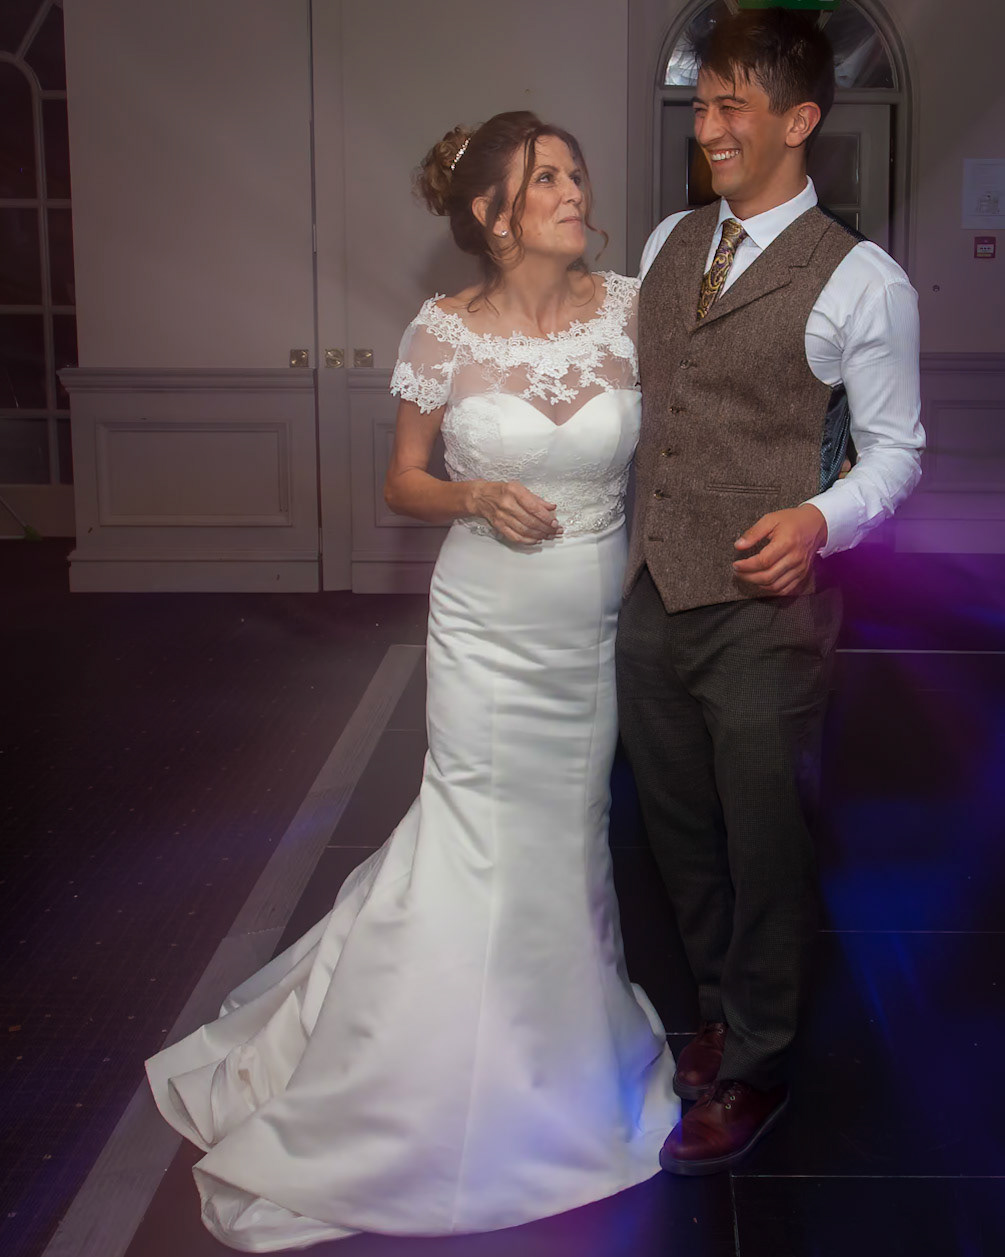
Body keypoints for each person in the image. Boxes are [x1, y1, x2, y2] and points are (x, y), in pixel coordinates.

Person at [145, 110, 678, 1250]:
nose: (574, 192)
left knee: (567, 833)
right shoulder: (442, 331)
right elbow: (402, 480)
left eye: (576, 173)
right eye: (546, 178)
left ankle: (558, 1050)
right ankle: (421, 1068)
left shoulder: (633, 311)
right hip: (484, 621)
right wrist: (472, 493)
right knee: (475, 829)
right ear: (493, 214)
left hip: (588, 626)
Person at [616, 7, 924, 1177]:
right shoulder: (667, 242)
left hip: (765, 619)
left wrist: (817, 520)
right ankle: (716, 1011)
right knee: (678, 833)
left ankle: (758, 1063)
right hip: (653, 595)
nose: (708, 127)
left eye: (731, 105)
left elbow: (895, 453)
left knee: (767, 844)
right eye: (701, 105)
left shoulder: (864, 282)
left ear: (798, 120)